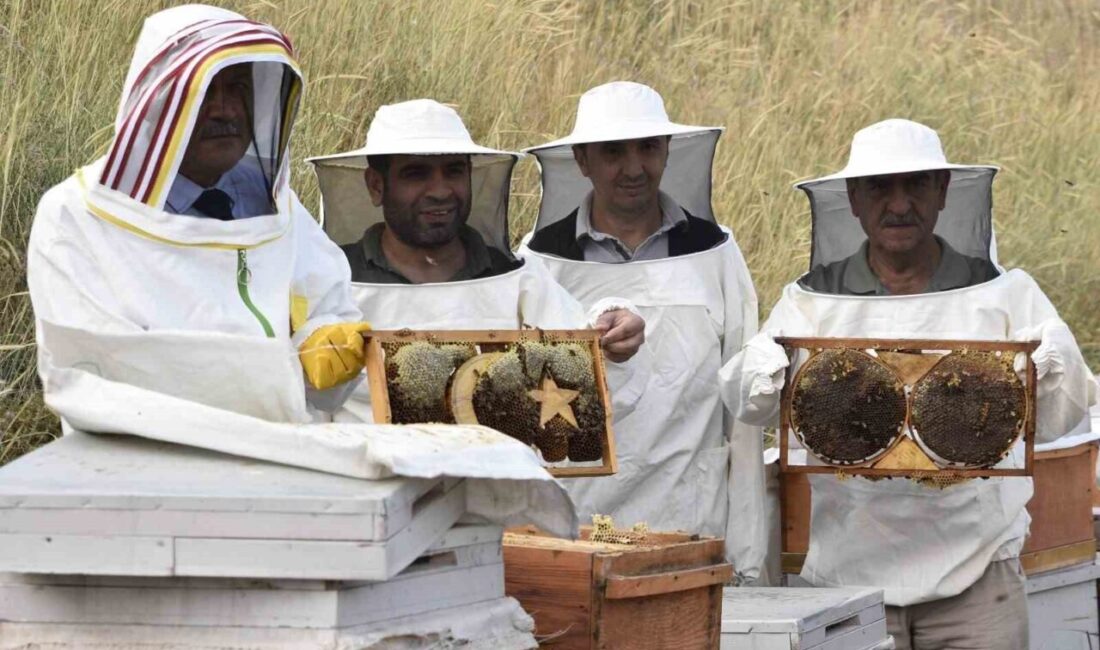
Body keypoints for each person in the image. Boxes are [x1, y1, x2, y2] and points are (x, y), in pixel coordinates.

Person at [722, 118, 1098, 649]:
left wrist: (1052, 363)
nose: (899, 205)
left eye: (915, 185)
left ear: (942, 192)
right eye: (880, 187)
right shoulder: (810, 303)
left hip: (977, 576)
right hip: (850, 576)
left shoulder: (1005, 296)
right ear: (853, 199)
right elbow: (748, 401)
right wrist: (762, 367)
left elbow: (1064, 414)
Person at [27, 4, 370, 426]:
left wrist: (325, 338)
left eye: (239, 88)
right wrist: (283, 368)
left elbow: (328, 309)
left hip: (286, 465)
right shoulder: (76, 216)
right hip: (143, 467)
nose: (225, 110)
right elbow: (104, 373)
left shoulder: (276, 205)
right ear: (156, 102)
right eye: (206, 90)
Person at [519, 81, 766, 582]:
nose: (633, 168)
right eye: (613, 152)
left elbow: (743, 409)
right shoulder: (537, 260)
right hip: (581, 533)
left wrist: (750, 552)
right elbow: (524, 409)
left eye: (647, 148)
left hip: (692, 525)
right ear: (582, 159)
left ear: (668, 150)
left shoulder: (714, 252)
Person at [308, 99, 644, 425]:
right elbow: (307, 410)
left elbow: (589, 386)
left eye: (454, 171)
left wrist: (613, 344)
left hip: (495, 477)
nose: (440, 191)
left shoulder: (517, 278)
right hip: (374, 476)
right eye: (416, 174)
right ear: (376, 185)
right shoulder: (332, 282)